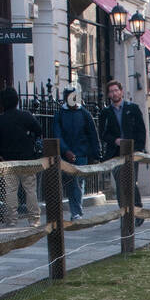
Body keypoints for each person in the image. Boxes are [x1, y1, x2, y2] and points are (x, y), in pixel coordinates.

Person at [0, 87, 42, 229]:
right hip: (27, 159)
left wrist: (1, 153)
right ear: (17, 100)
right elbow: (39, 130)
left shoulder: (0, 121)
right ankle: (34, 219)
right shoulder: (26, 116)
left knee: (11, 190)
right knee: (30, 189)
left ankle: (11, 219)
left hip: (9, 160)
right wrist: (30, 139)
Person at [99, 80, 147, 221]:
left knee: (131, 182)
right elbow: (103, 133)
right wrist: (115, 140)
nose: (114, 93)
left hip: (132, 151)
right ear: (109, 94)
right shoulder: (106, 113)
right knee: (120, 185)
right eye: (111, 91)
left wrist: (138, 148)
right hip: (115, 152)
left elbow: (141, 130)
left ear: (121, 91)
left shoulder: (133, 109)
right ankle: (124, 214)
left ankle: (137, 212)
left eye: (116, 90)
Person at [53, 85, 101, 221]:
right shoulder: (60, 115)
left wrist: (96, 154)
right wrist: (65, 150)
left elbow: (93, 134)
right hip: (66, 157)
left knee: (78, 183)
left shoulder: (85, 114)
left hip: (82, 155)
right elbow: (57, 135)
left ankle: (77, 211)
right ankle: (76, 212)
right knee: (71, 183)